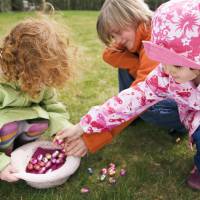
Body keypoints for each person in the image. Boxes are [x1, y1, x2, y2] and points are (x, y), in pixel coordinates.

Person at [56, 0, 200, 190]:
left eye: (177, 64)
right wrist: (84, 125)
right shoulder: (165, 74)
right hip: (191, 115)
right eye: (162, 61)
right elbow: (131, 100)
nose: (167, 70)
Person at [64, 0, 185, 157]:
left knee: (148, 107)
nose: (118, 40)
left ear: (134, 16)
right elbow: (109, 54)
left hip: (188, 101)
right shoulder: (141, 30)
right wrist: (136, 64)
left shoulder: (154, 41)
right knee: (124, 61)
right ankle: (131, 117)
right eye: (113, 36)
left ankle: (183, 126)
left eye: (119, 32)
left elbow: (139, 98)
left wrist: (90, 139)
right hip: (159, 89)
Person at [0, 18, 73, 182]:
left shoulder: (42, 78)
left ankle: (20, 145)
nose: (44, 81)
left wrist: (62, 131)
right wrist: (1, 165)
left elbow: (53, 106)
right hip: (3, 125)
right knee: (6, 127)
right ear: (22, 67)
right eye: (39, 74)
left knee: (42, 120)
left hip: (21, 123)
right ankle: (6, 152)